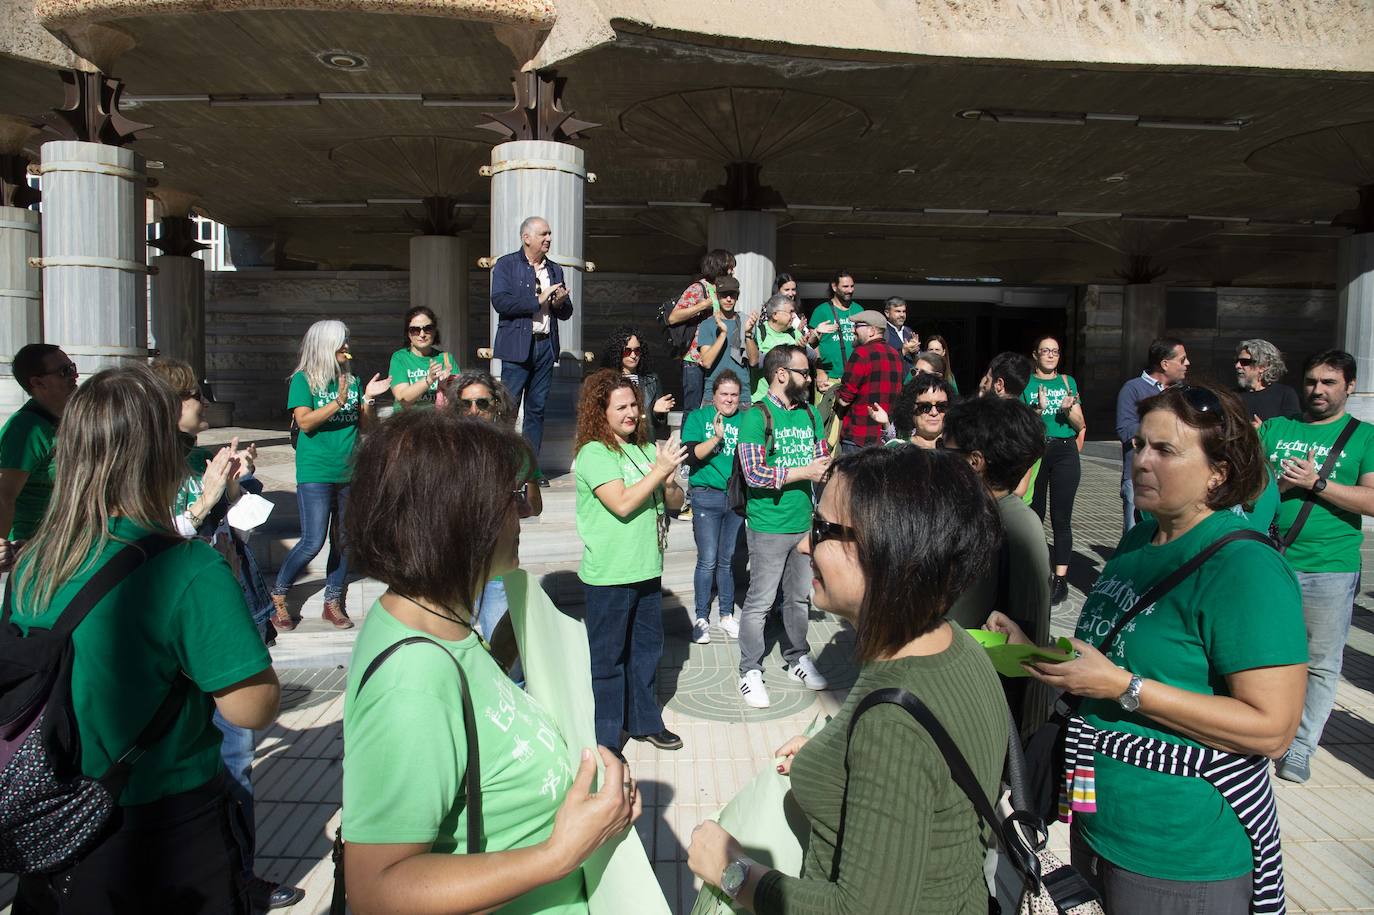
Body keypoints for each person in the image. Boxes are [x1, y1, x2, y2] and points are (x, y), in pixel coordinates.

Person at [988, 383, 1306, 914]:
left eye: (1165, 450)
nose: (1140, 461)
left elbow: (1272, 729)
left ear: (1219, 472)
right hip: (1098, 820)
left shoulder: (1245, 567)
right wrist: (1031, 651)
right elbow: (1109, 660)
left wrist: (1123, 688)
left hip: (1179, 850)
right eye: (1138, 445)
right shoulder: (1140, 539)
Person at [340, 409, 642, 914]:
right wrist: (558, 854)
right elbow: (377, 892)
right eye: (511, 497)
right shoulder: (411, 680)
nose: (523, 513)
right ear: (460, 517)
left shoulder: (441, 620)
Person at [688, 446, 1007, 913]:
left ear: (888, 550)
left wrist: (731, 870)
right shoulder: (954, 644)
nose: (804, 545)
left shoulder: (891, 725)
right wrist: (834, 756)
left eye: (821, 529)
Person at [10, 365, 280, 914]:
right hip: (165, 825)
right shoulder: (187, 568)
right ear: (161, 455)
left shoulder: (34, 561)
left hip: (53, 817)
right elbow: (252, 707)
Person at [148, 358, 303, 911]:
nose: (205, 401)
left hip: (226, 620)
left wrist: (236, 486)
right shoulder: (143, 473)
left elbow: (243, 530)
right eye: (196, 393)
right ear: (170, 405)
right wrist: (204, 503)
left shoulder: (198, 462)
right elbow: (150, 550)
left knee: (235, 756)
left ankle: (240, 876)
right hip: (175, 636)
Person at [1259, 350, 1374, 784]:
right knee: (1259, 650)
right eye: (1311, 381)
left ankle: (1301, 745)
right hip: (1268, 560)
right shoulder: (1276, 428)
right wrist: (1281, 484)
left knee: (1321, 662)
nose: (1318, 390)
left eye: (1329, 382)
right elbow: (1244, 486)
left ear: (1350, 386)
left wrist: (1316, 483)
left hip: (1330, 566)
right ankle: (1261, 730)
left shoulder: (1364, 437)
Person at [574, 369, 687, 752]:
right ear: (600, 411)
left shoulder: (643, 448)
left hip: (647, 568)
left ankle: (644, 722)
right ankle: (607, 741)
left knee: (646, 654)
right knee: (609, 661)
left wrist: (668, 480)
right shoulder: (594, 453)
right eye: (620, 407)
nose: (631, 413)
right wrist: (660, 470)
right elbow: (621, 504)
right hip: (610, 575)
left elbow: (675, 502)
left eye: (634, 405)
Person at [274, 320, 391, 632]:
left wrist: (367, 399)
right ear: (325, 345)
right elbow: (305, 422)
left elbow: (367, 428)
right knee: (313, 541)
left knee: (344, 540)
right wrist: (338, 401)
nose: (347, 348)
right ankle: (279, 595)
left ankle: (333, 601)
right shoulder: (302, 380)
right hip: (315, 471)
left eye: (347, 341)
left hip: (349, 470)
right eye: (341, 342)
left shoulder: (351, 380)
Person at [942, 396, 1050, 731]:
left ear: (974, 462)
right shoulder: (998, 516)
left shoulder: (1006, 527)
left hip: (986, 712)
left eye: (946, 452)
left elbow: (962, 624)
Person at [736, 345, 831, 708]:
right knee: (760, 601)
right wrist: (805, 471)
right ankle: (749, 670)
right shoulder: (756, 416)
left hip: (804, 523)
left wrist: (824, 468)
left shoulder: (809, 413)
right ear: (781, 374)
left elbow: (821, 457)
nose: (809, 379)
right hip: (768, 526)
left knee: (798, 598)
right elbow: (753, 473)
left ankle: (797, 658)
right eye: (803, 373)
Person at [439, 370, 545, 663]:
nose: (474, 410)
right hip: (453, 564)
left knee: (504, 657)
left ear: (496, 404)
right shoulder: (445, 449)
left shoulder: (515, 449)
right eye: (466, 404)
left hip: (497, 562)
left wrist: (521, 499)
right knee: (451, 652)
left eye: (482, 403)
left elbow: (535, 506)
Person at [492, 215, 575, 476]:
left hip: (545, 347)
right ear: (526, 238)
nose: (549, 238)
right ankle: (504, 468)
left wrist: (559, 302)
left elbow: (566, 312)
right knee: (508, 408)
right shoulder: (506, 265)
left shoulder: (555, 269)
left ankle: (529, 470)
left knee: (536, 410)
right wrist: (537, 300)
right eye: (543, 234)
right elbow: (500, 302)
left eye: (549, 234)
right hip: (516, 348)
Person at [681, 371, 747, 644]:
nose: (729, 400)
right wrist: (716, 438)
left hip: (735, 498)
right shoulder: (699, 418)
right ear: (714, 395)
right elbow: (690, 455)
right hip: (706, 496)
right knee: (707, 559)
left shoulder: (746, 420)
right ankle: (701, 617)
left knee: (727, 559)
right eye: (724, 394)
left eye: (734, 395)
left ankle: (726, 615)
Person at [1023, 334, 1085, 606]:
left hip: (1064, 450)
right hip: (1037, 450)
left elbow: (1080, 424)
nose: (1050, 355)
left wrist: (1068, 410)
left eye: (1055, 351)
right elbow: (1021, 423)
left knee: (1062, 518)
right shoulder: (1026, 383)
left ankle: (1060, 579)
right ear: (1035, 355)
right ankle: (1035, 571)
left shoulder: (1067, 382)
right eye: (1045, 351)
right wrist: (1037, 409)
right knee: (1033, 515)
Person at [0, 343, 78, 546]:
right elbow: (4, 496)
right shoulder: (26, 428)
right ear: (37, 382)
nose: (74, 376)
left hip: (68, 544)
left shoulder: (72, 419)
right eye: (64, 371)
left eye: (73, 368)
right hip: (32, 547)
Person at [1116, 337, 1188, 533]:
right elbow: (1125, 430)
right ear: (1165, 364)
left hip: (1174, 475)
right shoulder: (1133, 388)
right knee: (1135, 534)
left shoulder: (1182, 392)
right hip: (1140, 476)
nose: (1187, 364)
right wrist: (1162, 426)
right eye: (1182, 360)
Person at [669, 249, 735, 413]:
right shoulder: (698, 288)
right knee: (693, 409)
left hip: (715, 356)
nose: (732, 271)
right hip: (694, 359)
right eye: (730, 267)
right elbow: (673, 317)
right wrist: (703, 305)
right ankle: (689, 432)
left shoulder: (721, 289)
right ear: (719, 266)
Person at [833, 310, 904, 453]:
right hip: (885, 437)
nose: (853, 330)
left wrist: (833, 390)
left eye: (857, 326)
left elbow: (844, 400)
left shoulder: (861, 353)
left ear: (872, 331)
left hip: (857, 438)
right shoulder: (896, 355)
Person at [599, 326, 674, 440]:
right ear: (617, 352)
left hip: (644, 442)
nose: (633, 355)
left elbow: (657, 426)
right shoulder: (606, 381)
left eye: (637, 350)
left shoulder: (652, 380)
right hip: (616, 442)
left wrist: (657, 413)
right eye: (627, 351)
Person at [746, 294, 821, 401]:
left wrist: (802, 349)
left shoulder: (793, 332)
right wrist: (789, 353)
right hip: (764, 400)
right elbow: (756, 363)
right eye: (790, 312)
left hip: (792, 400)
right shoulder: (760, 332)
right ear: (775, 315)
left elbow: (813, 356)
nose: (794, 316)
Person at [695, 275, 754, 409]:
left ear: (737, 296)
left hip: (741, 395)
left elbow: (753, 361)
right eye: (724, 295)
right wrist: (722, 334)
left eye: (732, 295)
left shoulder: (746, 322)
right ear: (717, 296)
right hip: (713, 395)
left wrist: (748, 334)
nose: (728, 299)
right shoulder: (707, 325)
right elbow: (707, 362)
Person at [389, 305, 455, 411]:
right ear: (408, 333)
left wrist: (444, 386)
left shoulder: (446, 358)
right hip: (407, 420)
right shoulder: (400, 357)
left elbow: (458, 398)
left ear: (435, 331)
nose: (422, 334)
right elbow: (403, 398)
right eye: (415, 330)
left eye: (427, 328)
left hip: (438, 420)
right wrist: (429, 379)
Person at [810, 270, 860, 391]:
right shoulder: (821, 310)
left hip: (854, 377)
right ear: (834, 287)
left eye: (852, 286)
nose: (850, 290)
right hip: (828, 377)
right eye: (845, 286)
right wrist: (820, 371)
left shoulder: (858, 309)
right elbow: (812, 344)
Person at [872, 372, 952, 449]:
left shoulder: (958, 449)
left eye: (941, 406)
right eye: (925, 407)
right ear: (910, 409)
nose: (934, 412)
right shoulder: (896, 450)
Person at [1236, 338, 1300, 423]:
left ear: (1263, 366)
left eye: (1244, 362)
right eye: (1237, 361)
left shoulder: (1285, 394)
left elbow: (1291, 427)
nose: (1237, 366)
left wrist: (1264, 429)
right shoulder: (1231, 396)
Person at [881, 297, 920, 373]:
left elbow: (917, 360)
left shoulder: (908, 331)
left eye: (904, 311)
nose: (902, 315)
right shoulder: (882, 332)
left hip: (910, 378)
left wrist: (916, 350)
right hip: (892, 377)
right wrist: (903, 351)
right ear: (887, 313)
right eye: (898, 311)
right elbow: (881, 360)